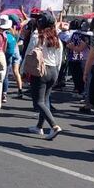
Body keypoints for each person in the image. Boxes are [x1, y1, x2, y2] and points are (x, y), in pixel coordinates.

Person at [23, 11, 64, 139]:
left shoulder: (37, 36)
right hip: (53, 70)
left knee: (39, 101)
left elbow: (28, 54)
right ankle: (39, 127)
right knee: (45, 100)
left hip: (41, 70)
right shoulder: (57, 39)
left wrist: (23, 70)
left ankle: (54, 126)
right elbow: (59, 58)